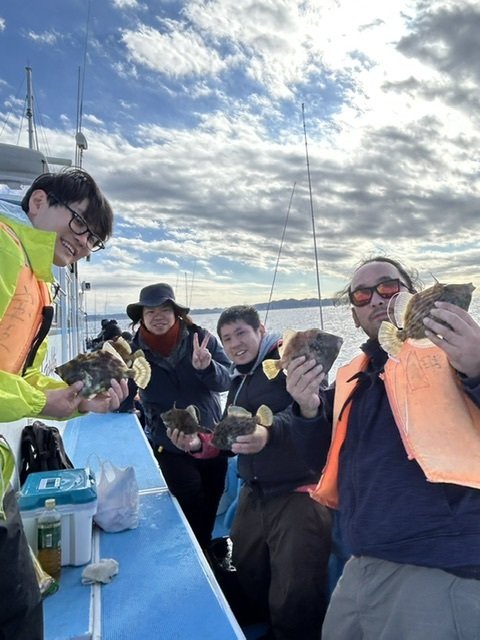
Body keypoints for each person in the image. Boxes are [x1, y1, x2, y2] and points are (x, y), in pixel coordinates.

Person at [286, 256, 480, 640]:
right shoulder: (352, 379)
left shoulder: (456, 354)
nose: (375, 299)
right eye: (361, 295)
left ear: (412, 294)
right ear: (355, 315)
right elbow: (320, 462)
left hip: (439, 569)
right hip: (360, 564)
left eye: (388, 287)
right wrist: (307, 410)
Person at [0, 168, 128, 640]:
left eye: (94, 239)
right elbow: (31, 391)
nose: (84, 244)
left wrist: (80, 402)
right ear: (38, 202)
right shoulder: (4, 250)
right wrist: (41, 399)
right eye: (80, 224)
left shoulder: (39, 282)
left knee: (20, 609)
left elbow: (25, 376)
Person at [170, 305, 332, 639]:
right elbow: (229, 439)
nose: (234, 343)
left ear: (261, 330)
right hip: (255, 492)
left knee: (295, 588)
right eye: (227, 338)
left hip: (298, 495)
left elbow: (306, 408)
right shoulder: (240, 378)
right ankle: (263, 622)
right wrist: (198, 445)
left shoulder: (288, 361)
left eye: (241, 333)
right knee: (245, 564)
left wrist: (267, 432)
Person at [126, 283, 231, 550]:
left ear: (177, 313)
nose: (157, 317)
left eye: (164, 310)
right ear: (142, 318)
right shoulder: (132, 352)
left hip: (211, 437)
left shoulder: (202, 339)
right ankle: (198, 549)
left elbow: (227, 380)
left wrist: (207, 367)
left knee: (213, 494)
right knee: (189, 497)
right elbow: (124, 395)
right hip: (169, 442)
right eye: (150, 312)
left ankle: (205, 547)